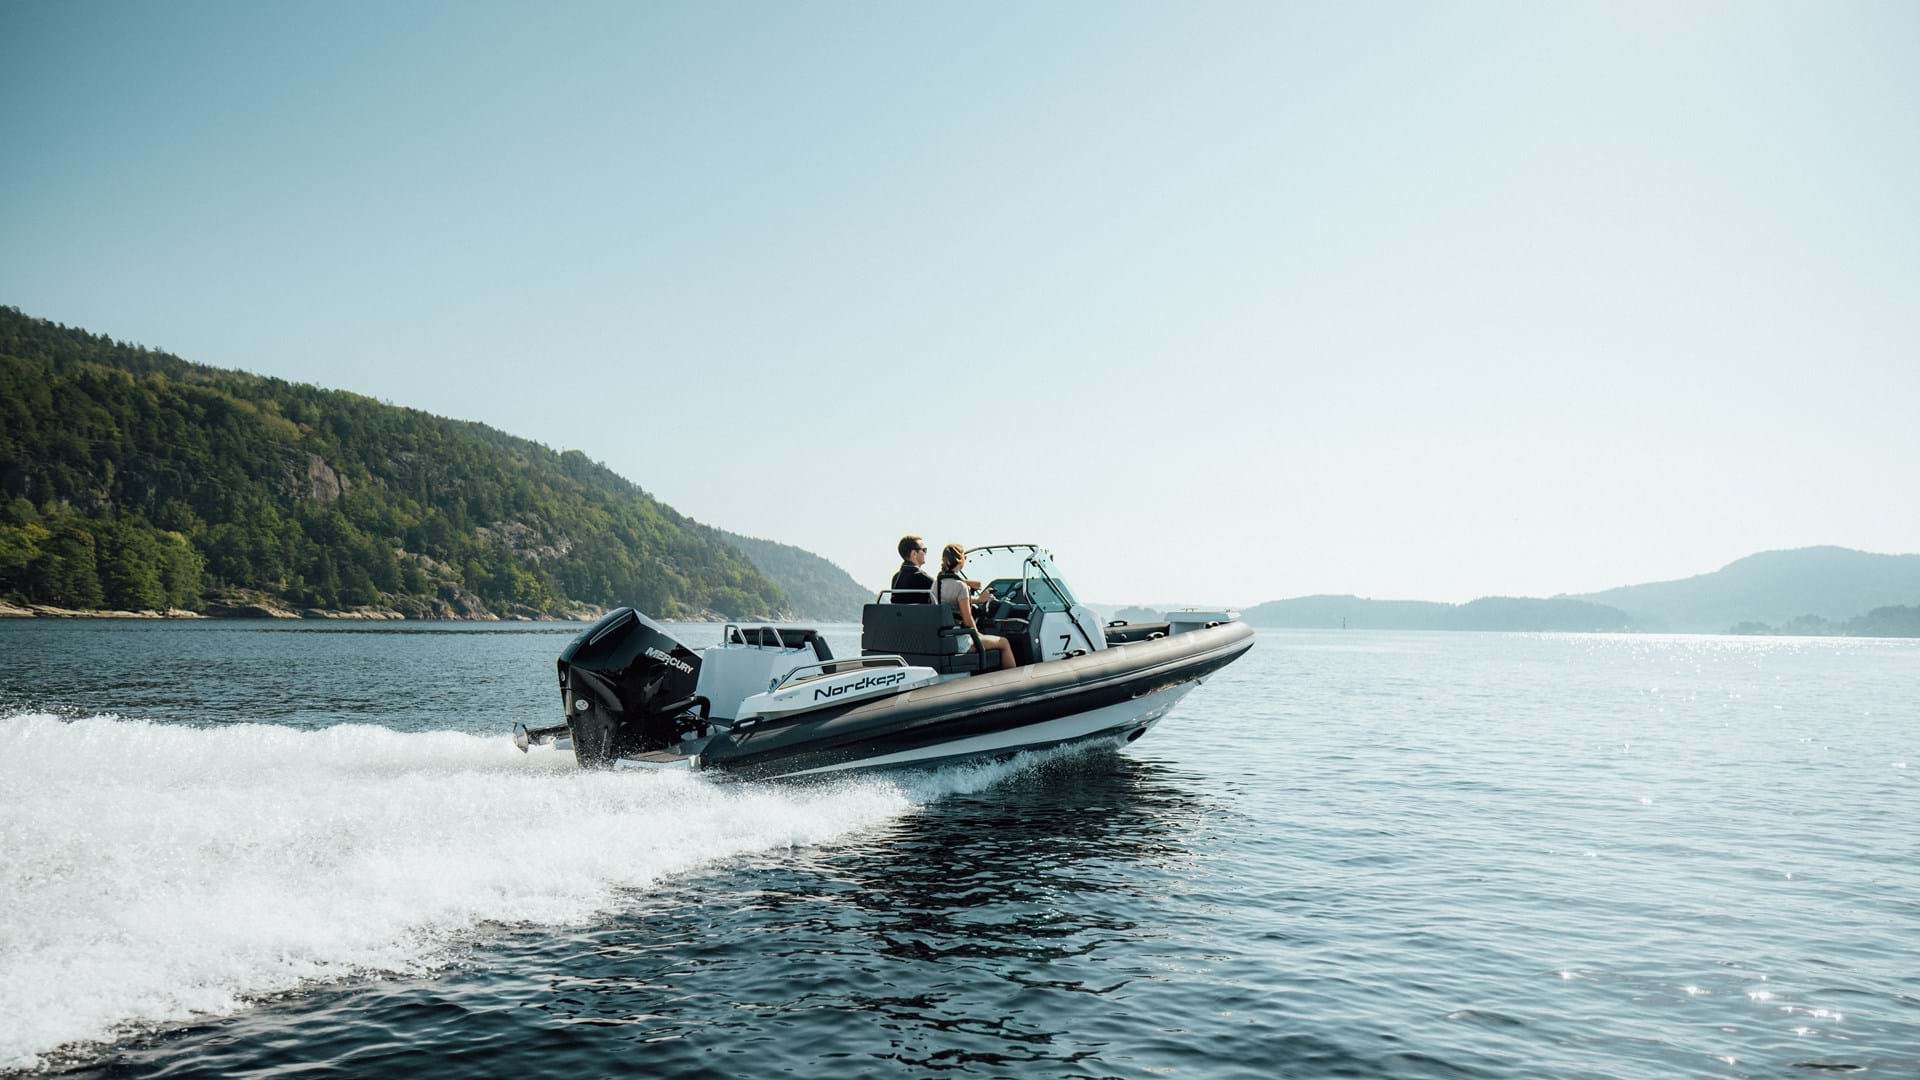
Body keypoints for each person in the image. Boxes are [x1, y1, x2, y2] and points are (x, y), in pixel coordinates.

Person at [936, 543, 1017, 670]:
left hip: (944, 638)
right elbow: (968, 620)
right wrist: (978, 635)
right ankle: (1013, 680)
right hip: (961, 639)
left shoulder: (936, 584)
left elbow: (951, 603)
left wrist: (978, 600)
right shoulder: (960, 586)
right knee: (1004, 642)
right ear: (960, 560)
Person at [890, 535, 934, 603]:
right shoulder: (927, 580)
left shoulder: (896, 578)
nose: (925, 553)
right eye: (924, 550)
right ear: (914, 554)